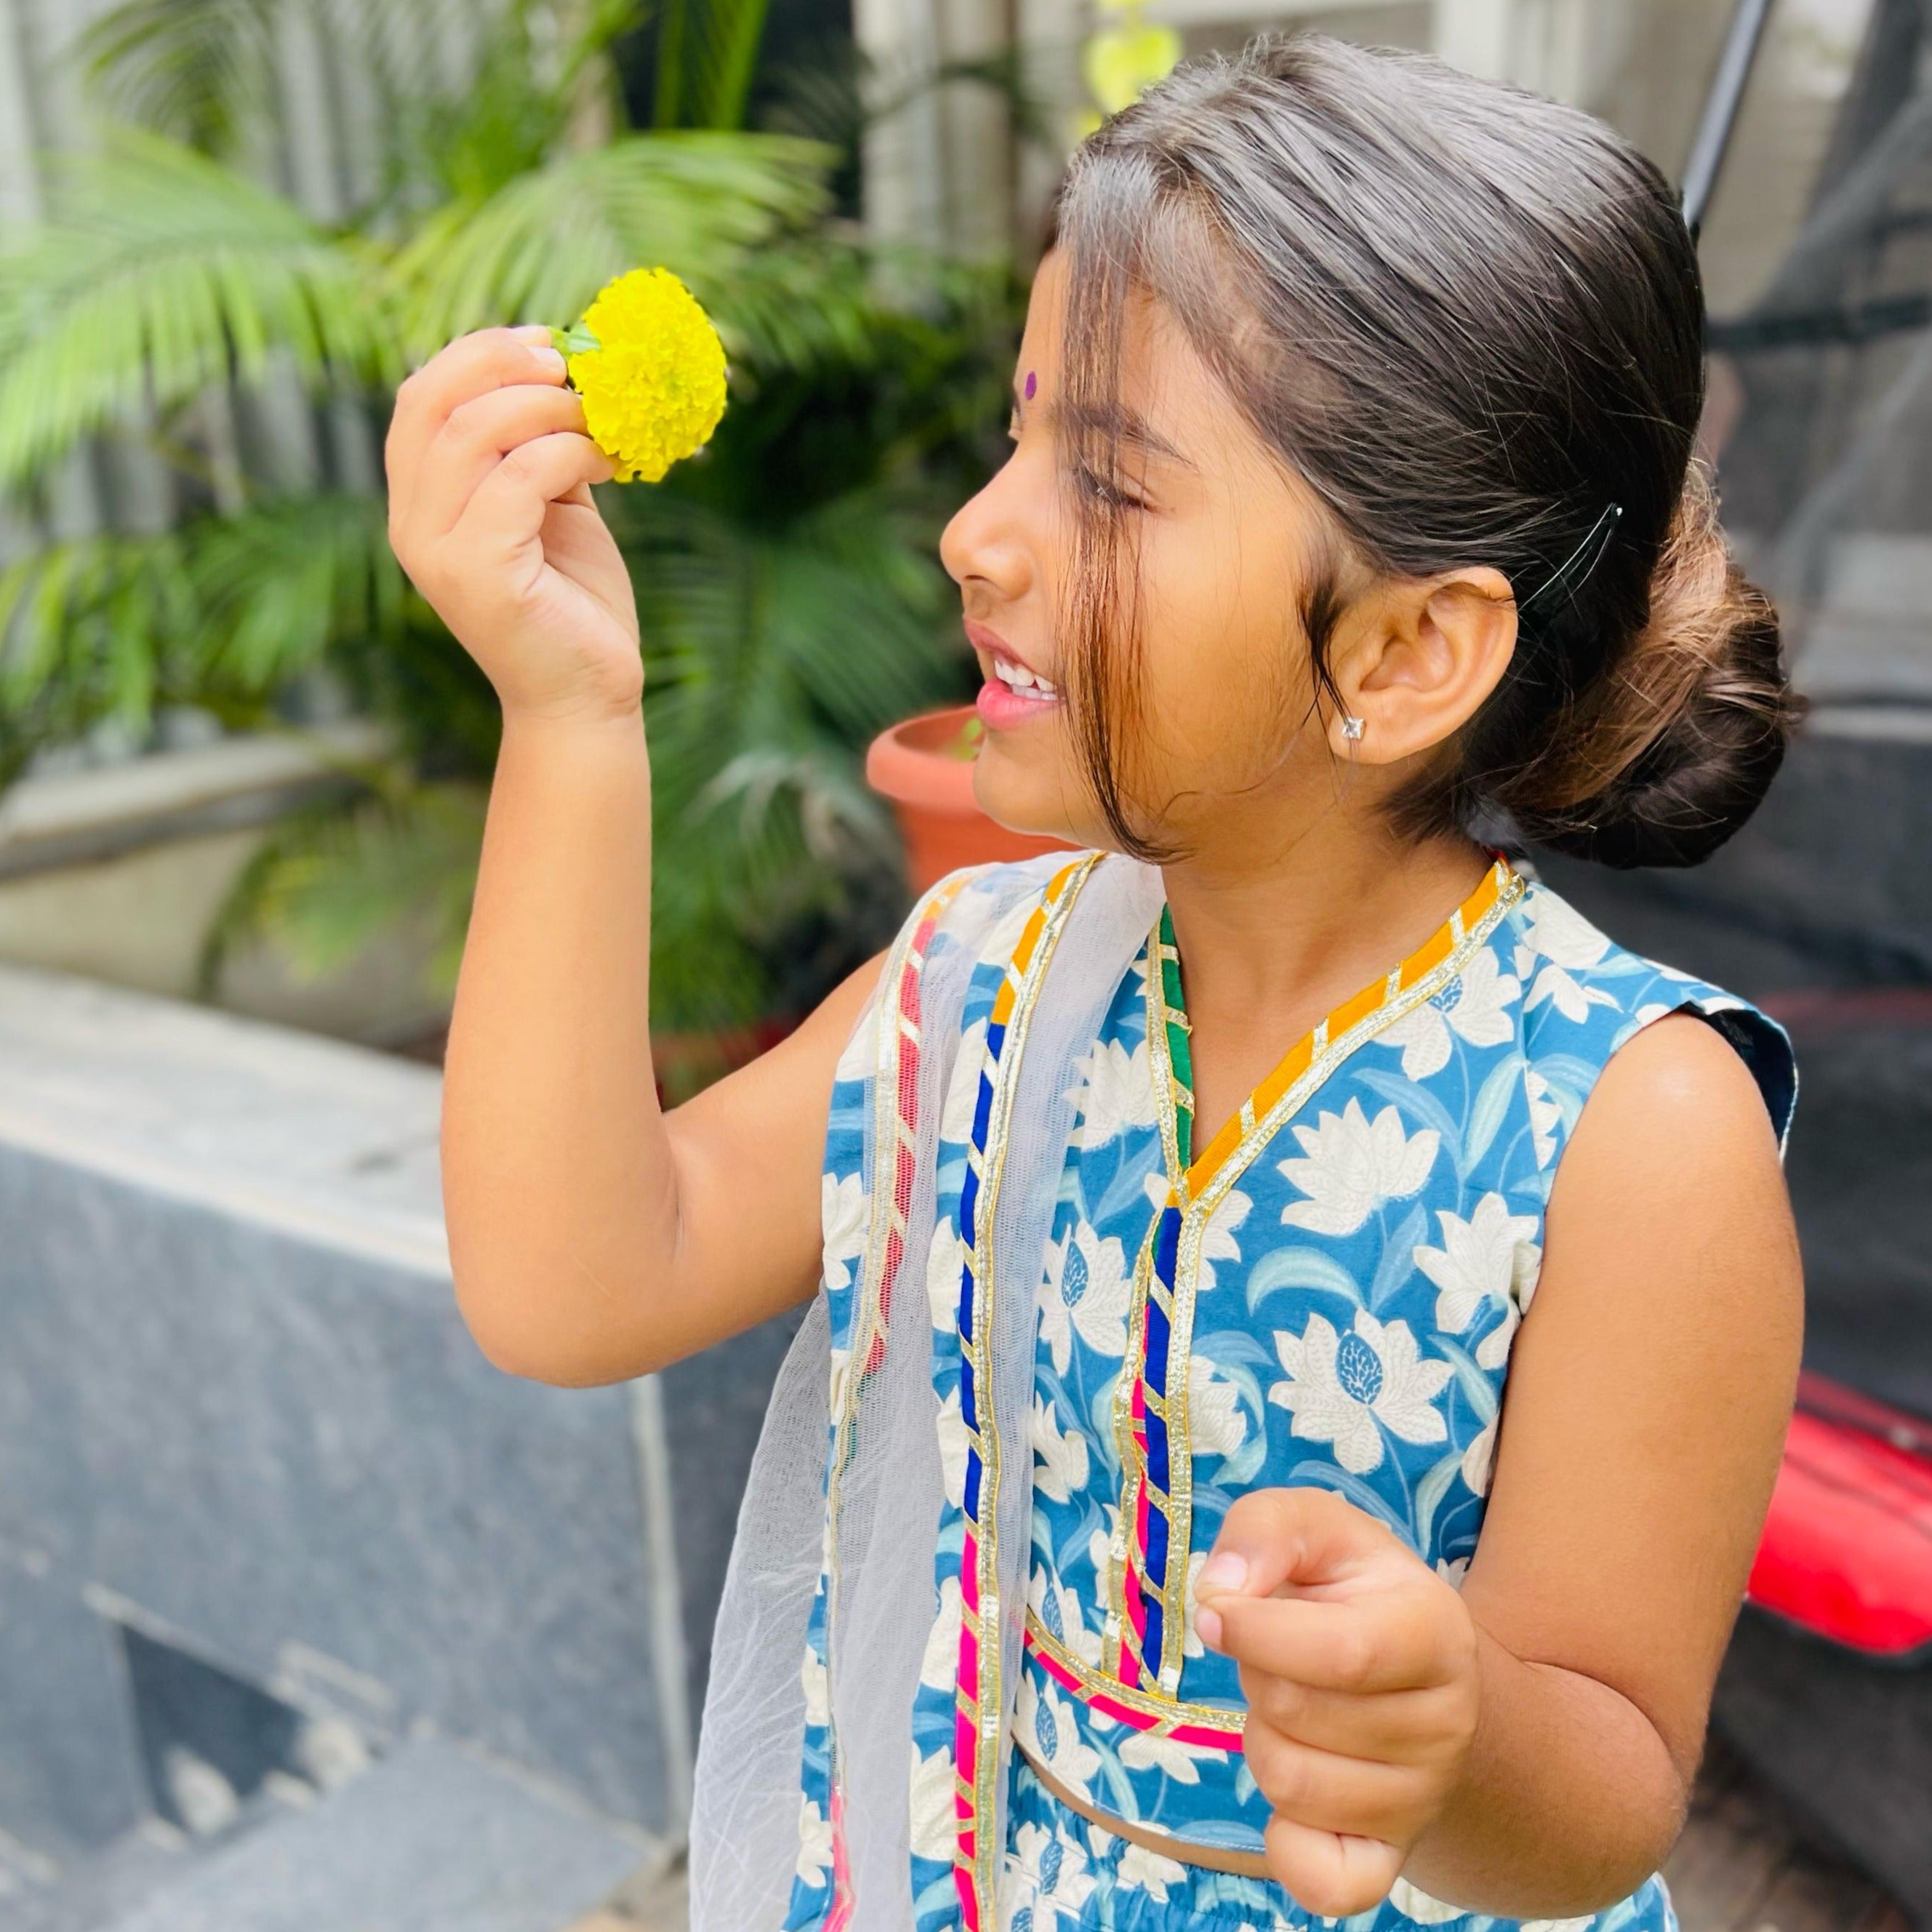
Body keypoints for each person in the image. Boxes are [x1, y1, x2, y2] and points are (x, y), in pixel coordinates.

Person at [384, 34, 1805, 1932]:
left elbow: (1612, 1780)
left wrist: (1450, 1735)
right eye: (1018, 428)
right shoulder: (980, 969)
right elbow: (578, 1277)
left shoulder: (1631, 1128)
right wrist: (570, 717)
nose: (976, 532)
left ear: (1397, 658)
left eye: (1109, 484)